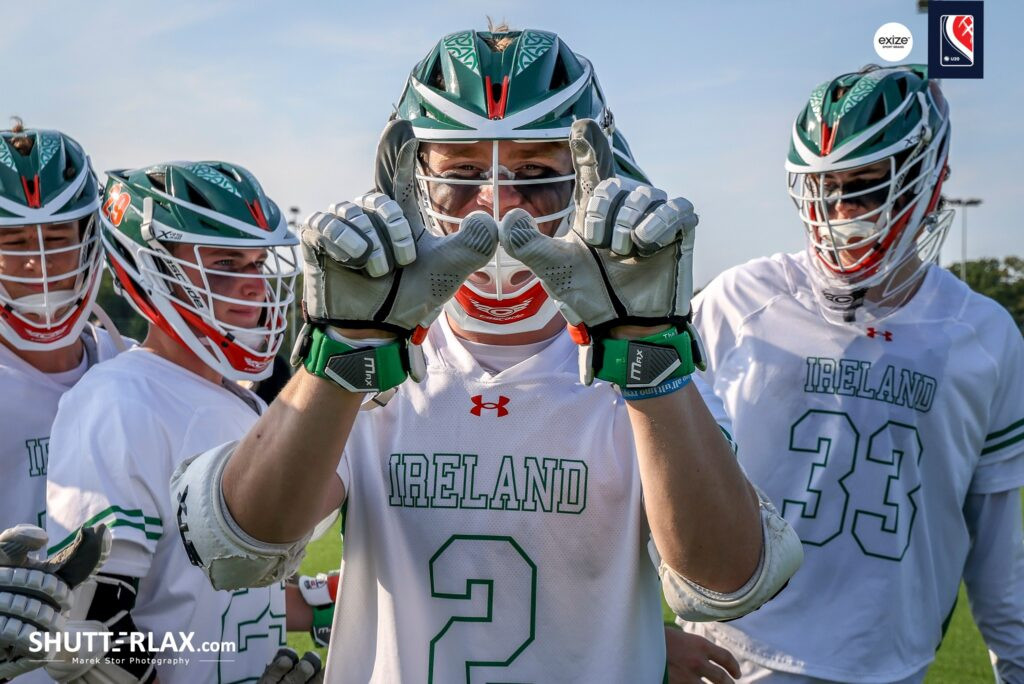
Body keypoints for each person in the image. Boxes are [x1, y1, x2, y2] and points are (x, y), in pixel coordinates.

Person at [172, 26, 802, 683]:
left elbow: (727, 581)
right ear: (414, 181)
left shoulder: (643, 358)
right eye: (464, 175)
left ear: (589, 179)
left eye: (535, 176)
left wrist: (647, 354)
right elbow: (241, 551)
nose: (498, 207)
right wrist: (344, 353)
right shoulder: (377, 360)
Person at [682, 64, 1024, 682]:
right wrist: (647, 633)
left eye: (864, 186)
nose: (840, 213)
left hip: (888, 665)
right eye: (823, 188)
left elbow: (997, 544)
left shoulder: (985, 337)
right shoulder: (737, 302)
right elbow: (635, 478)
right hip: (732, 659)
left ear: (930, 180)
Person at [42, 161, 311, 683]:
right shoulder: (119, 400)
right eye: (226, 263)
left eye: (257, 263)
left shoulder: (249, 405)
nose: (255, 286)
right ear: (152, 268)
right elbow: (91, 635)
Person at [0, 119, 124, 532]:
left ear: (88, 239)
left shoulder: (129, 363)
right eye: (16, 242)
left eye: (56, 238)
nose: (39, 260)